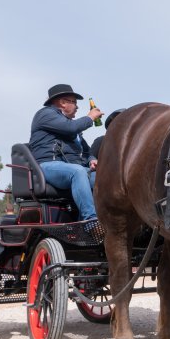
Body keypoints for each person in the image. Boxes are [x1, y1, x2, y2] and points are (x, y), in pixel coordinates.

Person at [29, 84, 104, 231]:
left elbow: (86, 152)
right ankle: (91, 222)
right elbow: (71, 127)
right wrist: (90, 118)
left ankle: (105, 220)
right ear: (62, 102)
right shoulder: (46, 114)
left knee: (106, 178)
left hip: (70, 168)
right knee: (77, 171)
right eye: (74, 102)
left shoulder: (72, 129)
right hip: (47, 166)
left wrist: (92, 160)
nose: (77, 107)